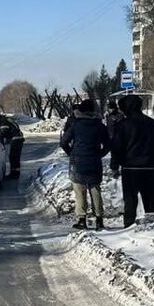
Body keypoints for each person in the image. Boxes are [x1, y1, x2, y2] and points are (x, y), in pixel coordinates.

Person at [59, 99, 111, 231]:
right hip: (94, 161)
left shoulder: (76, 125)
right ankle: (99, 220)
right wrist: (100, 154)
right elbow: (108, 144)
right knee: (95, 190)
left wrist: (71, 153)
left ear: (80, 110)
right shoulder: (100, 126)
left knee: (79, 192)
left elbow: (63, 142)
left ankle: (82, 220)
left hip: (78, 164)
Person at [109, 94, 154, 228]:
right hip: (149, 167)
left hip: (130, 168)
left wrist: (114, 165)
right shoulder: (152, 124)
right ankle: (153, 225)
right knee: (150, 199)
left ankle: (129, 225)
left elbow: (117, 147)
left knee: (130, 199)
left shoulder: (122, 125)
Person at [0, 111, 25, 180]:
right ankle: (15, 174)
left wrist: (0, 143)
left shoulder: (3, 122)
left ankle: (14, 175)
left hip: (16, 139)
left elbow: (3, 134)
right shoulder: (6, 120)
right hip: (18, 138)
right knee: (14, 157)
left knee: (13, 157)